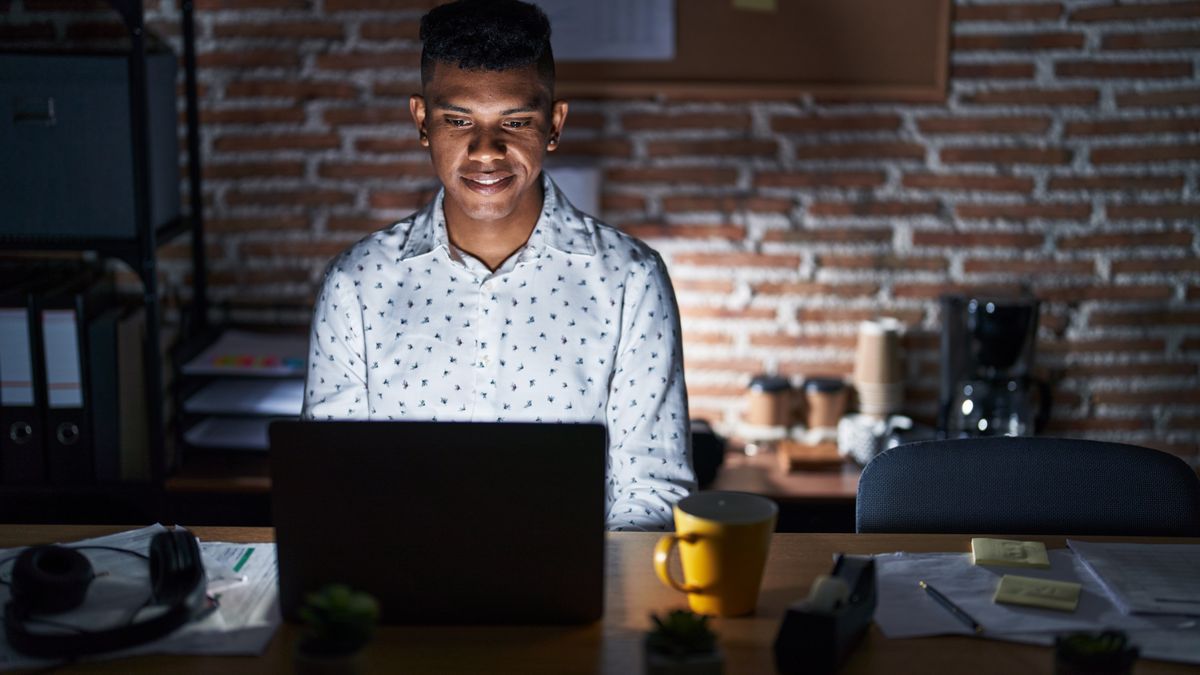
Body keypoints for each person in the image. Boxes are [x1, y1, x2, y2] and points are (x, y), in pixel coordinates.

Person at [302, 0, 695, 531]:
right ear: (422, 121)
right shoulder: (357, 283)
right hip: (403, 592)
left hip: (578, 593)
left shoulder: (630, 279)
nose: (486, 150)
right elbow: (332, 484)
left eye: (515, 121)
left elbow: (650, 490)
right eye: (458, 120)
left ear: (553, 124)